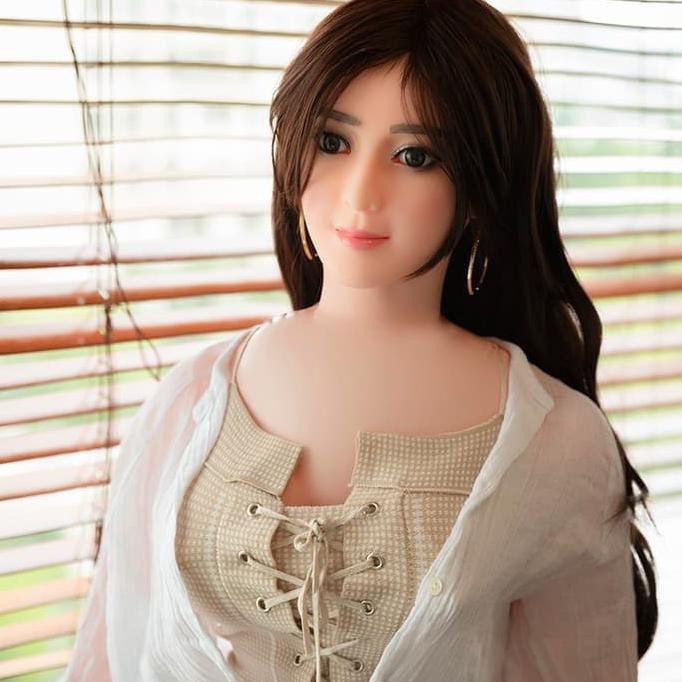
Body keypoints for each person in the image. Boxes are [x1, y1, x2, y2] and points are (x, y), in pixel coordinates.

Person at [62, 0, 658, 679]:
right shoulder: (192, 402)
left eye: (415, 156)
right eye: (332, 141)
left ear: (482, 181)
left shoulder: (555, 438)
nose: (361, 193)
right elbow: (112, 649)